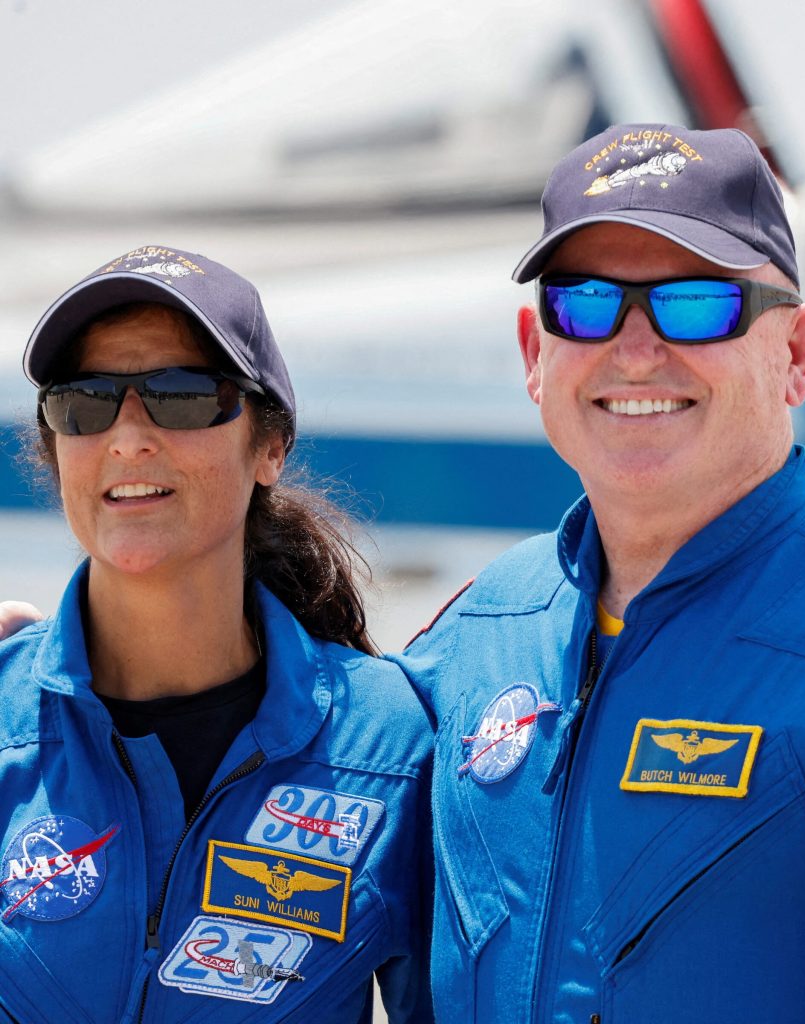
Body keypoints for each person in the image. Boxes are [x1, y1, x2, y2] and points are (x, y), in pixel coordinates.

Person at [388, 123, 805, 1022]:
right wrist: (35, 681)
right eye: (583, 305)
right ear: (533, 354)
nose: (632, 349)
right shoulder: (472, 638)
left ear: (798, 354)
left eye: (696, 304)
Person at [0, 246, 433, 1023]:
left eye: (182, 396)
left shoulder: (395, 749)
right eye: (85, 403)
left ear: (269, 446)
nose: (127, 438)